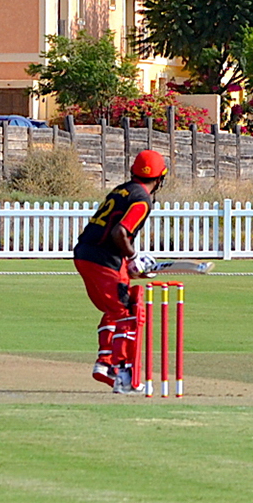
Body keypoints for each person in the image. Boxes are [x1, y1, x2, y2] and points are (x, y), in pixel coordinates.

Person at [74, 149, 166, 395]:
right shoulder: (141, 199)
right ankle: (122, 374)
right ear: (160, 178)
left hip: (85, 254)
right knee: (128, 313)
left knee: (115, 309)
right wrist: (133, 257)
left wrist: (128, 264)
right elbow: (119, 233)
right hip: (103, 257)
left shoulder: (121, 190)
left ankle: (106, 364)